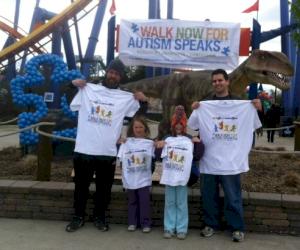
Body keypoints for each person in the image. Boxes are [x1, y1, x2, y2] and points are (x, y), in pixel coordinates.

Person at [65, 59, 148, 232]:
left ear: (120, 77)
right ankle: (77, 217)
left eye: (117, 74)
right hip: (84, 149)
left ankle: (100, 217)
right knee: (81, 187)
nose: (113, 76)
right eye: (111, 72)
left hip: (107, 151)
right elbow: (69, 102)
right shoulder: (88, 88)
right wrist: (72, 85)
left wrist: (144, 101)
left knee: (104, 189)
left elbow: (138, 115)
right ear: (107, 72)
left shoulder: (124, 97)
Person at [188, 69, 262, 242]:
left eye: (220, 80)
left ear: (227, 82)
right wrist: (194, 109)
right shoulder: (204, 105)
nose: (217, 83)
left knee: (233, 196)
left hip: (232, 161)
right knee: (208, 196)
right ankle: (210, 224)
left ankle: (237, 228)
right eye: (214, 81)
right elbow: (192, 126)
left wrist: (257, 108)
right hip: (209, 160)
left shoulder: (242, 104)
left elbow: (255, 126)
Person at [156, 105, 204, 240]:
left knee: (182, 203)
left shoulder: (189, 139)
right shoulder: (167, 138)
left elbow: (197, 156)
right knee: (170, 202)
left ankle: (182, 228)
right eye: (176, 124)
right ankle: (169, 227)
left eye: (181, 124)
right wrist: (159, 146)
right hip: (170, 176)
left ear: (185, 125)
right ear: (172, 124)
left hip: (183, 176)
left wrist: (198, 143)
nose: (178, 127)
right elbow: (158, 156)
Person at [117, 116, 155, 233]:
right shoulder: (126, 143)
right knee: (132, 201)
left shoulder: (150, 143)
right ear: (132, 128)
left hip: (144, 179)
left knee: (144, 201)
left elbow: (156, 157)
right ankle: (132, 222)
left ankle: (145, 223)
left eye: (141, 127)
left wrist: (157, 144)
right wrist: (119, 142)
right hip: (130, 178)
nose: (138, 129)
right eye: (136, 127)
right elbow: (120, 159)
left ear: (145, 128)